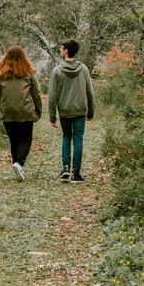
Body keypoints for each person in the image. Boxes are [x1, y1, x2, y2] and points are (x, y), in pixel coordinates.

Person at [48, 38, 95, 183]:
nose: (60, 49)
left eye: (62, 47)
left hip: (65, 111)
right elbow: (90, 92)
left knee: (67, 137)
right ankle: (76, 173)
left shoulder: (57, 71)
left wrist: (52, 116)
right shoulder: (84, 69)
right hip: (80, 111)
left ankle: (66, 169)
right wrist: (91, 112)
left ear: (67, 51)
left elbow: (52, 95)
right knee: (78, 140)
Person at [0, 45, 41, 182]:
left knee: (14, 140)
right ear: (23, 58)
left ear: (6, 58)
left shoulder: (1, 75)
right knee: (25, 139)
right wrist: (38, 111)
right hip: (25, 111)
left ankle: (17, 167)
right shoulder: (28, 73)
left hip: (7, 112)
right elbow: (36, 94)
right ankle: (19, 163)